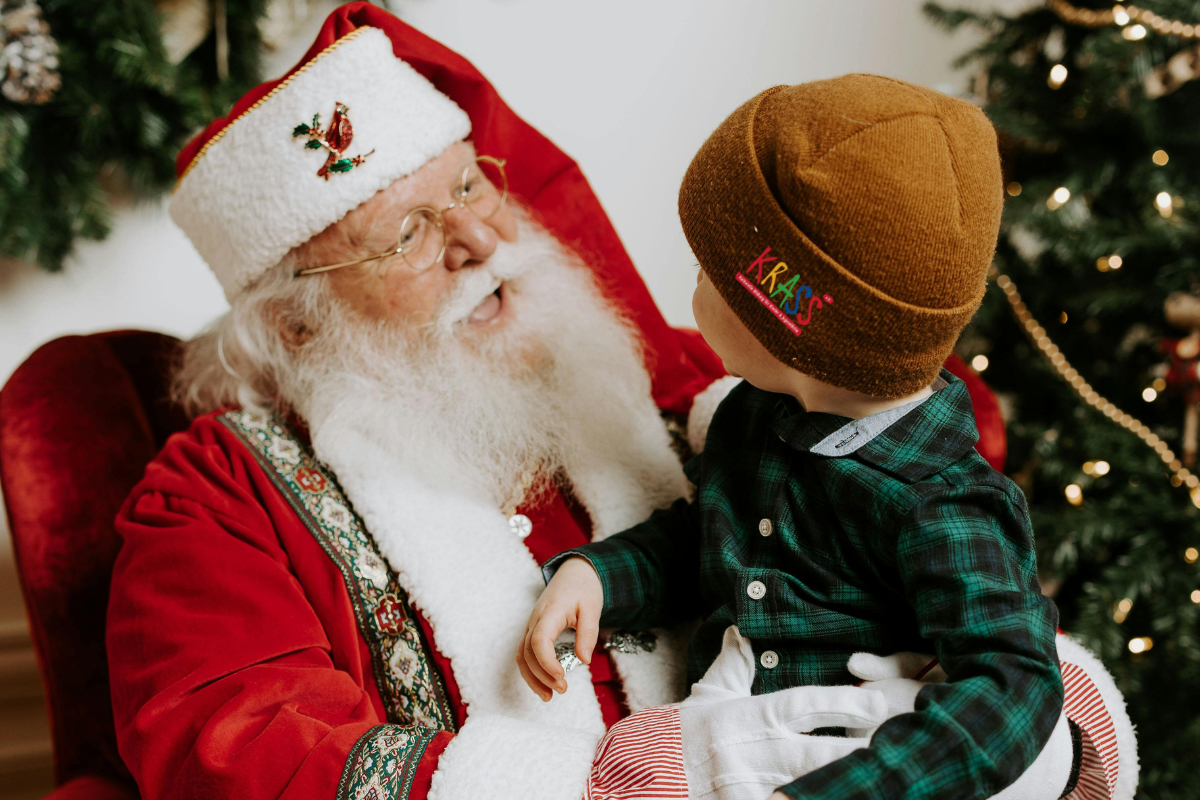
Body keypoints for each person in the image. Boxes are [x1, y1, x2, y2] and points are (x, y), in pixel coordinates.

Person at [105, 7, 993, 800]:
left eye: (467, 185)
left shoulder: (659, 373)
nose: (482, 238)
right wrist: (621, 789)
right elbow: (234, 757)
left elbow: (895, 522)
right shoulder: (215, 500)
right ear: (297, 325)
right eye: (408, 233)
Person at [520, 76, 1136, 800]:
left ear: (783, 315)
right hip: (735, 725)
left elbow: (1010, 690)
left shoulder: (943, 503)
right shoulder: (753, 417)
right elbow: (710, 541)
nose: (691, 285)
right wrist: (598, 575)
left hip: (870, 759)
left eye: (707, 272)